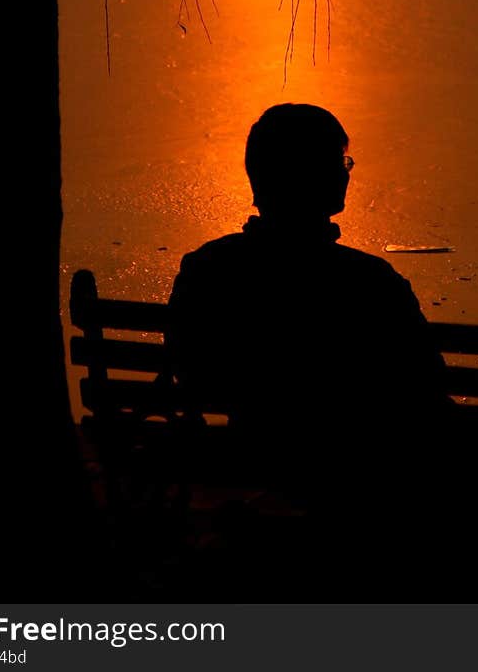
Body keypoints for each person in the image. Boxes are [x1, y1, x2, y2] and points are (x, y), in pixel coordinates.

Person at [167, 103, 451, 499]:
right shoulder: (370, 283)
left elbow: (190, 368)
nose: (345, 173)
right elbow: (427, 388)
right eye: (338, 161)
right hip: (352, 472)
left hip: (247, 455)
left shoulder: (205, 268)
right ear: (315, 174)